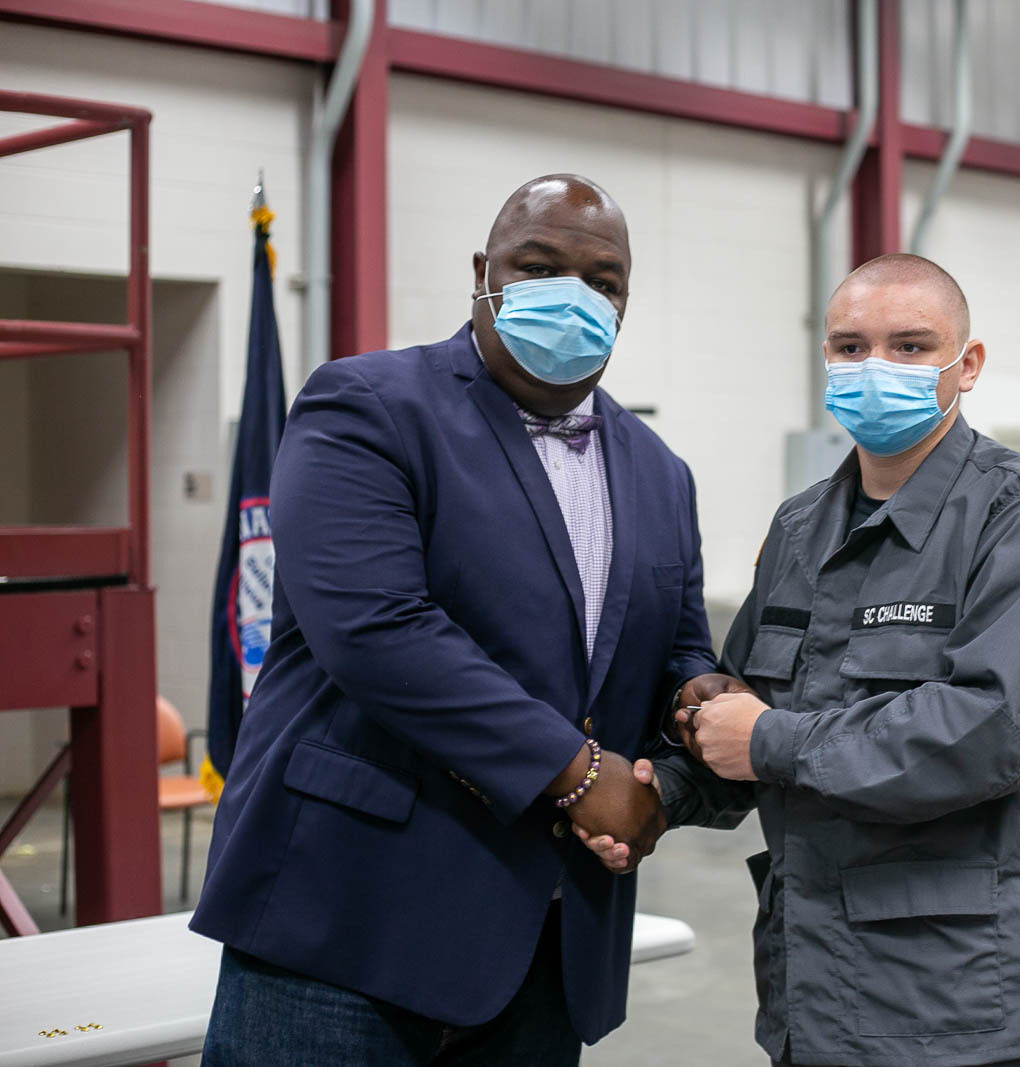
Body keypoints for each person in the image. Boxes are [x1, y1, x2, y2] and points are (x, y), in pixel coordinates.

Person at [191, 174, 745, 1065]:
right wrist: (578, 773)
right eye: (539, 267)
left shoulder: (659, 471)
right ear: (483, 273)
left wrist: (697, 695)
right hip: (346, 929)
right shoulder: (368, 407)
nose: (573, 296)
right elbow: (379, 631)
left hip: (547, 948)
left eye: (603, 281)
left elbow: (673, 643)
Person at [582, 253, 1020, 1066]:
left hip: (973, 1002)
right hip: (818, 990)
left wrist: (769, 739)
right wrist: (655, 795)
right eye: (851, 347)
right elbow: (740, 716)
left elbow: (995, 729)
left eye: (910, 346)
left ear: (967, 364)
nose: (876, 367)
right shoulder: (800, 528)